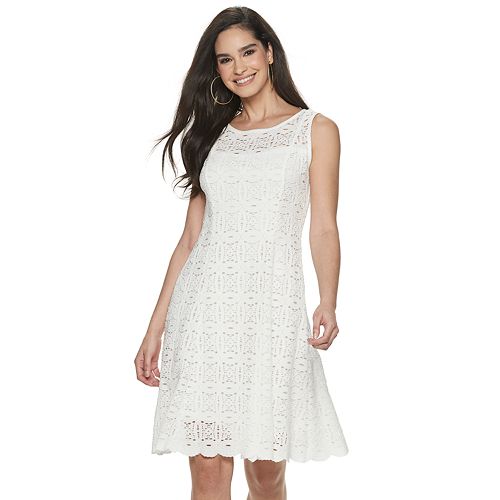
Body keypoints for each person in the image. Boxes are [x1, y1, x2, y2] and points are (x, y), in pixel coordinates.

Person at [134, 6, 348, 499]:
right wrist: (154, 329)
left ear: (269, 53)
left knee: (265, 474)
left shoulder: (315, 130)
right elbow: (190, 241)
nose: (239, 67)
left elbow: (323, 226)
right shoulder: (211, 136)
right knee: (208, 471)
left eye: (247, 52)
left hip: (271, 314)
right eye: (225, 59)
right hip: (203, 316)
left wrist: (328, 300)